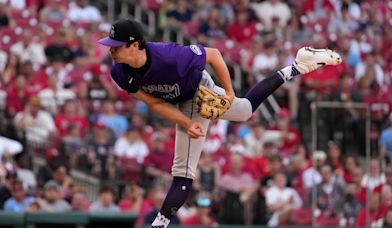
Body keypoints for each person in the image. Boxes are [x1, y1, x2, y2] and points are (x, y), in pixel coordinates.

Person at [98, 18, 341, 227]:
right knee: (239, 117)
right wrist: (185, 121)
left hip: (199, 91)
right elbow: (155, 104)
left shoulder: (169, 56)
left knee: (234, 118)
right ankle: (296, 66)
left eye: (116, 46)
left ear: (135, 44)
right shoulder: (119, 71)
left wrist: (229, 93)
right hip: (180, 104)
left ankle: (296, 67)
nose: (111, 51)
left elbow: (213, 55)